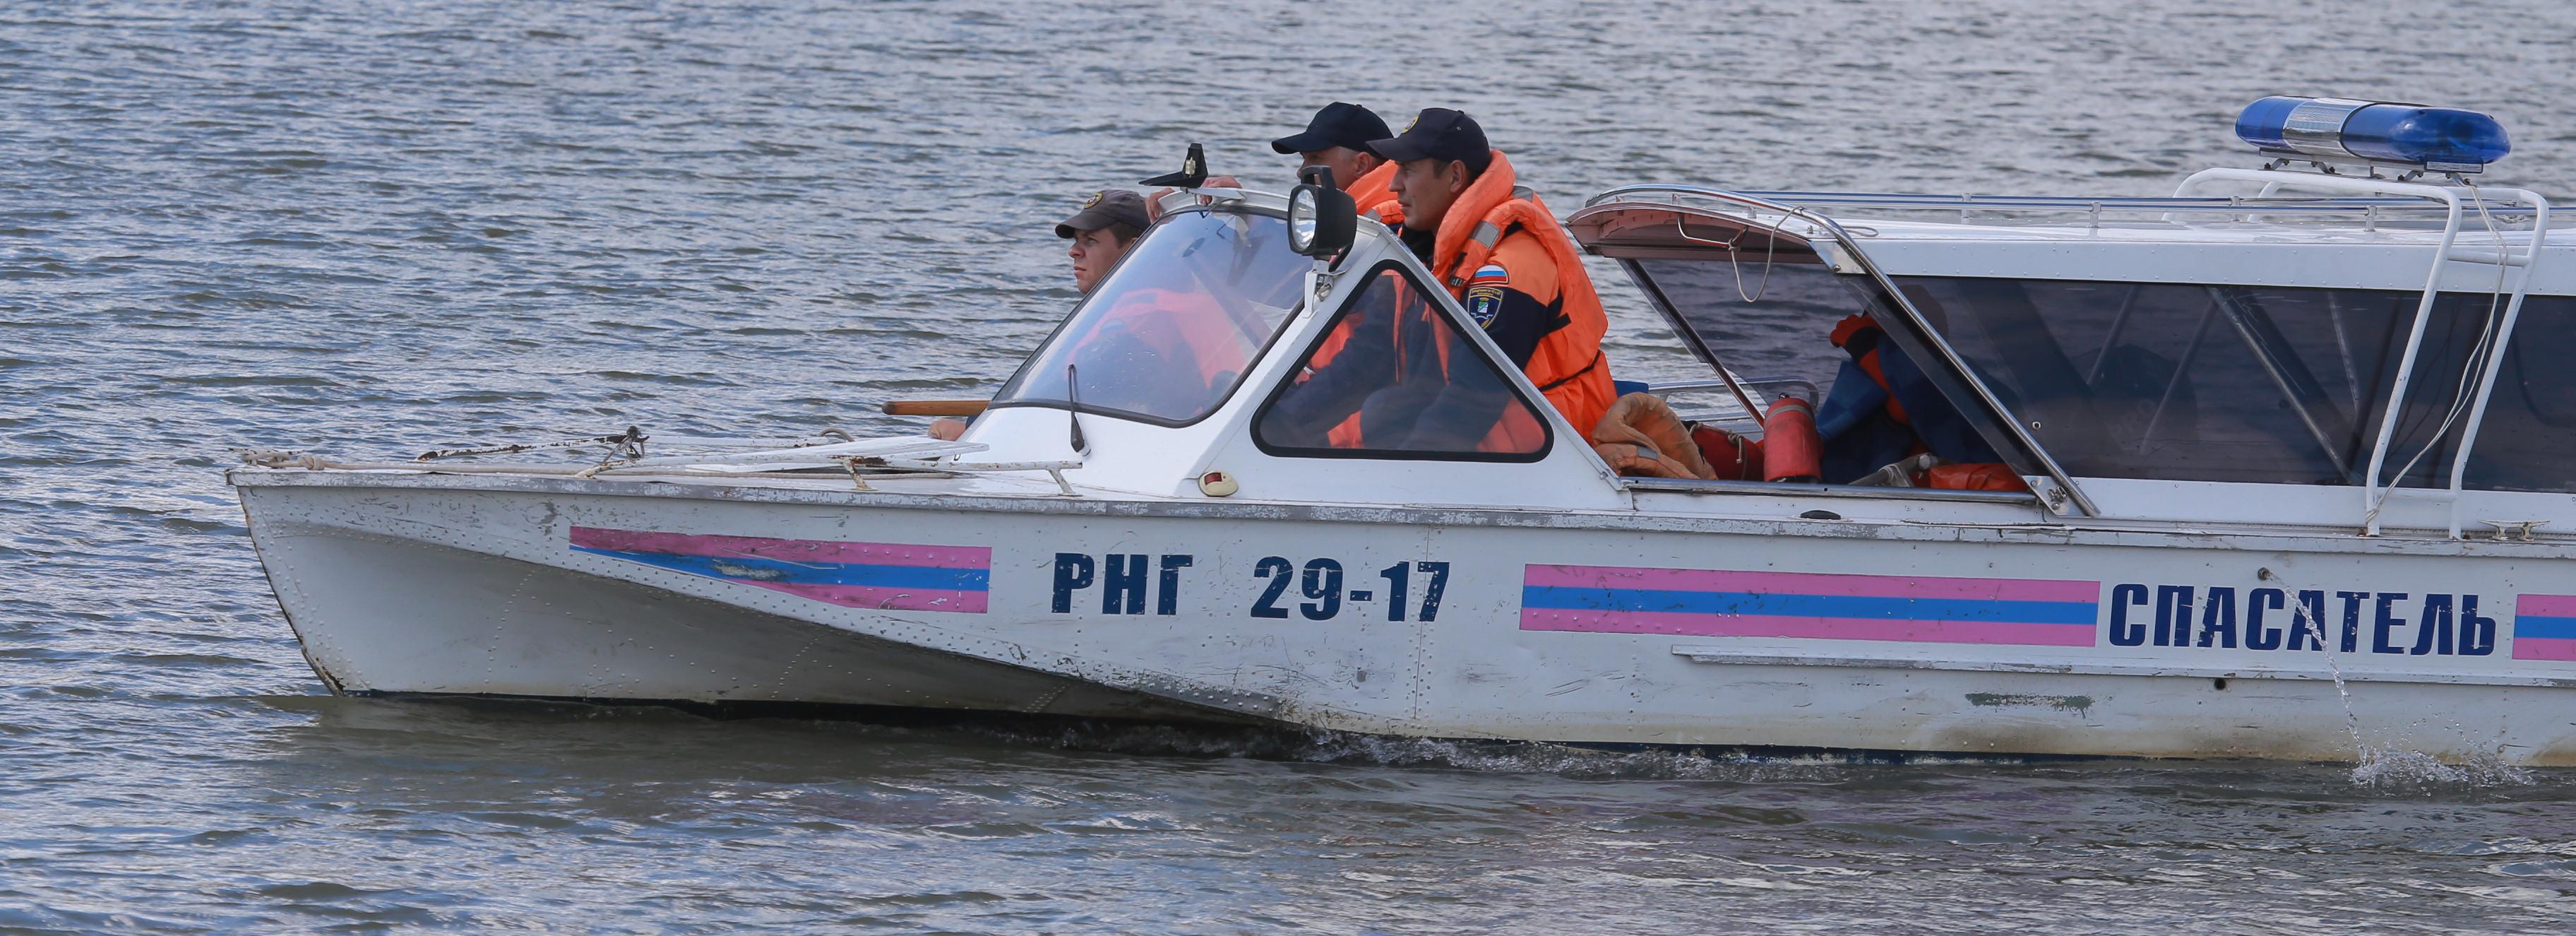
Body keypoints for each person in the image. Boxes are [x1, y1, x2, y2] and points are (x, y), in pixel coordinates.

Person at [1366, 107, 1616, 437]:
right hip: (1505, 445)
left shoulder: (1510, 270)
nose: (1393, 185)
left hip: (1559, 455)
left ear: (1455, 177)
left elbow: (1470, 405)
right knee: (1382, 410)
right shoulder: (1434, 251)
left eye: (1409, 170)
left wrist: (1401, 478)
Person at [931, 189, 1152, 441]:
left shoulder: (1136, 320)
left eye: (1090, 241)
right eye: (1076, 241)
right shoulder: (1129, 308)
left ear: (1137, 249)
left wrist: (972, 433)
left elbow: (1078, 410)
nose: (1074, 251)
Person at [1270, 101, 1403, 225]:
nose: (1300, 172)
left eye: (1316, 158)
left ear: (1361, 165)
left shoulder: (1395, 230)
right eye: (1304, 159)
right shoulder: (1348, 224)